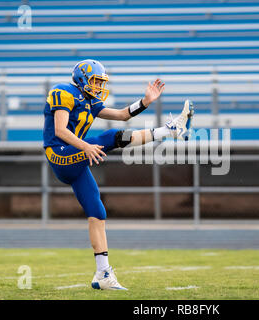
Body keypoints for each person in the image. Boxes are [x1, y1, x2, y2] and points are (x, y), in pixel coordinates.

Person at [42, 59, 194, 290]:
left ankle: (103, 273)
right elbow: (60, 130)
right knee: (110, 137)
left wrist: (145, 102)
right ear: (82, 78)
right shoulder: (63, 91)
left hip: (77, 160)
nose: (99, 86)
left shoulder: (90, 101)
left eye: (100, 82)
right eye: (95, 81)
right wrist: (85, 147)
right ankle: (170, 130)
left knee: (97, 211)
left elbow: (123, 115)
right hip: (60, 154)